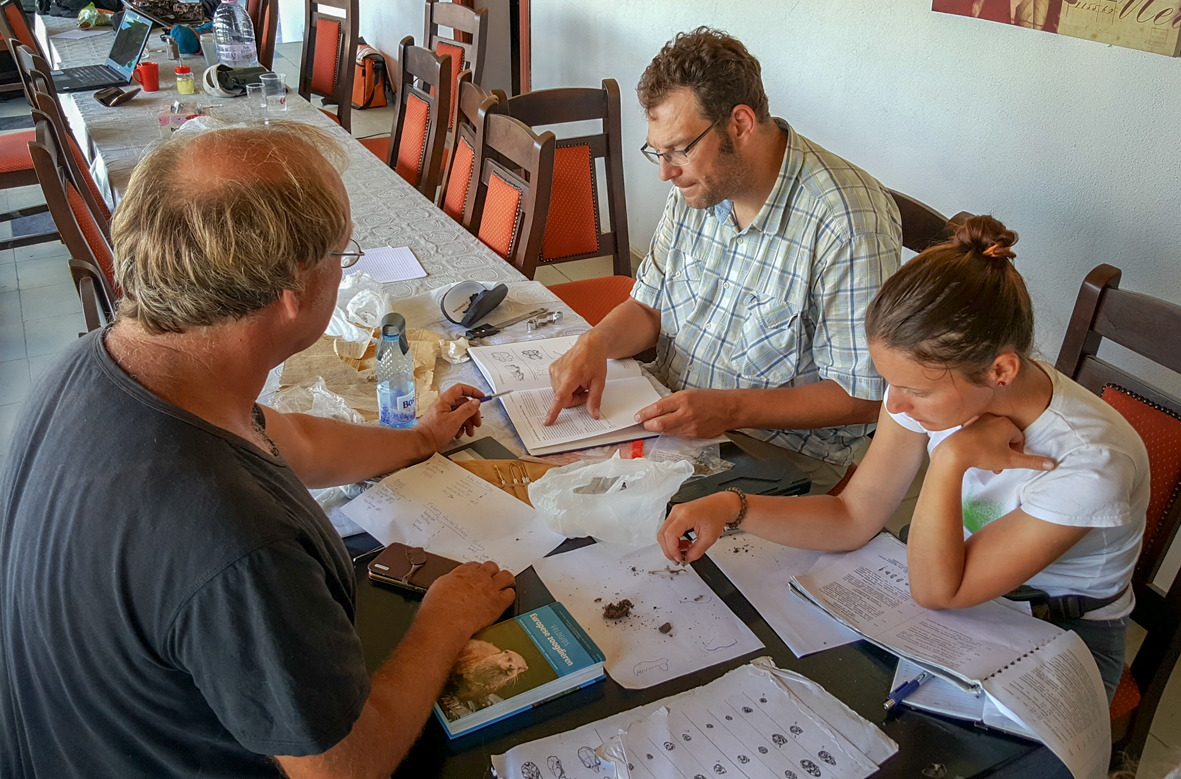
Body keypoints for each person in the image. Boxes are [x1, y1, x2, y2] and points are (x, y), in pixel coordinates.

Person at [0, 124, 516, 778]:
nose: (343, 267)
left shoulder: (106, 362)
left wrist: (420, 439)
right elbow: (341, 768)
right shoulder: (234, 534)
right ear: (295, 288)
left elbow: (287, 437)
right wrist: (441, 622)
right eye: (341, 254)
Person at [656, 215, 1148, 701]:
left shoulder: (1089, 462)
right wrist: (732, 506)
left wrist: (953, 459)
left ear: (1001, 369)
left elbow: (939, 591)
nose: (893, 406)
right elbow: (853, 515)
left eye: (912, 391)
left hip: (1057, 631)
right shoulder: (943, 384)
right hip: (950, 575)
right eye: (891, 383)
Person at [546, 27, 902, 493]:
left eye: (678, 150)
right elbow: (650, 307)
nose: (665, 171)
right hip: (674, 426)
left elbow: (863, 395)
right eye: (658, 151)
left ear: (739, 124)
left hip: (778, 456)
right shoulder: (698, 185)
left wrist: (730, 409)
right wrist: (597, 341)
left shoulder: (847, 222)